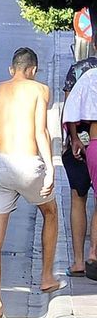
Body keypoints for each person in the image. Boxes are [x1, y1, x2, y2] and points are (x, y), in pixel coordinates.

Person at [0, 47, 62, 318]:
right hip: (28, 164)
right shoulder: (40, 90)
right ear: (33, 70)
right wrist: (50, 169)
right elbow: (41, 131)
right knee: (50, 212)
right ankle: (47, 277)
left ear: (11, 69)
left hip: (1, 163)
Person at [60, 44, 97, 281]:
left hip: (80, 144)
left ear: (93, 44)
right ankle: (94, 254)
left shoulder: (79, 69)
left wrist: (71, 139)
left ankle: (78, 261)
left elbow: (68, 108)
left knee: (78, 199)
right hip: (93, 141)